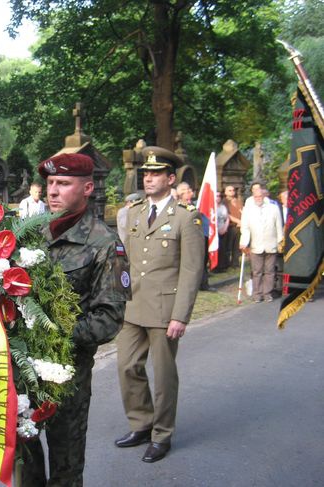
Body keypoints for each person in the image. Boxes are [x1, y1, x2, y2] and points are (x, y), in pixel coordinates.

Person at [21, 153, 130, 486]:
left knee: (65, 464)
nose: (53, 191)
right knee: (23, 454)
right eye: (51, 183)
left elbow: (109, 318)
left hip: (68, 373)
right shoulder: (33, 232)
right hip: (21, 367)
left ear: (87, 188)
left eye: (63, 184)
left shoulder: (104, 243)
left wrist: (54, 336)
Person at [115, 147, 204, 463]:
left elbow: (192, 270)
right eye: (145, 173)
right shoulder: (135, 212)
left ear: (170, 178)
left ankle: (162, 434)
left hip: (165, 311)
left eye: (154, 174)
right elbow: (124, 259)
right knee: (126, 366)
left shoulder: (185, 217)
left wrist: (181, 315)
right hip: (133, 305)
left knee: (164, 375)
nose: (148, 178)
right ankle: (141, 423)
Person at [239, 182, 283, 303]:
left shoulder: (273, 208)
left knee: (269, 271)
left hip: (271, 244)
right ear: (253, 197)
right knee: (257, 271)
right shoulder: (248, 210)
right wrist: (244, 242)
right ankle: (257, 294)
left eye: (260, 196)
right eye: (256, 197)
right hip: (255, 245)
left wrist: (280, 241)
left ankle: (267, 293)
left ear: (264, 196)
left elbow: (279, 226)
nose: (258, 199)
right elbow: (245, 228)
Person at [223, 185, 243, 268]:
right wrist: (238, 221)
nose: (232, 192)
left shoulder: (238, 201)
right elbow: (227, 215)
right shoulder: (224, 202)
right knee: (228, 246)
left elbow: (242, 211)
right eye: (229, 190)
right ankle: (226, 263)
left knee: (236, 246)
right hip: (229, 227)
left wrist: (243, 221)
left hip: (239, 227)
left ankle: (235, 263)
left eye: (233, 190)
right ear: (225, 192)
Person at [215, 191, 230, 271]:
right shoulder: (211, 207)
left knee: (223, 248)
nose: (218, 198)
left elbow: (227, 218)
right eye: (216, 196)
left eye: (219, 196)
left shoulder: (223, 207)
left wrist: (225, 228)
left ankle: (223, 266)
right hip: (214, 231)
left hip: (223, 229)